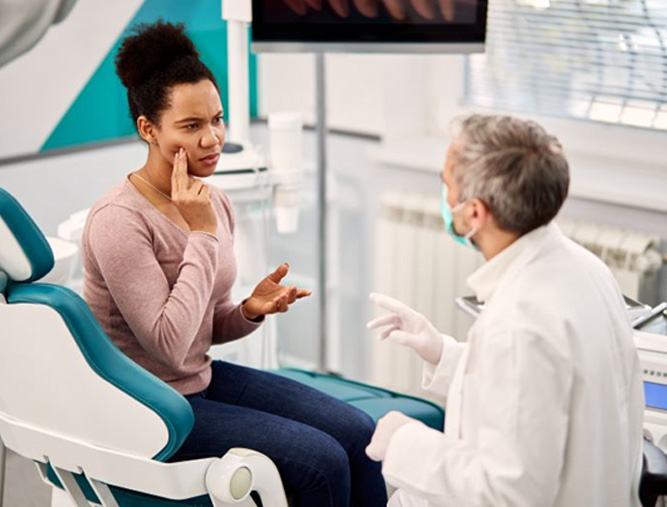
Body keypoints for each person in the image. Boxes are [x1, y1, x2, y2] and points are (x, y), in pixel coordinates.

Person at [81, 21, 387, 507]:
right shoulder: (119, 221)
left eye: (217, 120)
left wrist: (247, 310)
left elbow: (204, 328)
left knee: (359, 432)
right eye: (191, 126)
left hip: (199, 381)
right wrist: (200, 234)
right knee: (320, 460)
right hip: (148, 407)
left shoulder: (214, 202)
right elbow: (169, 347)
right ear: (148, 128)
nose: (212, 139)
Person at [366, 114, 644, 506]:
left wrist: (405, 443)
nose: (445, 198)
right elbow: (543, 394)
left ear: (475, 213)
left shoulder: (518, 322)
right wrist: (444, 354)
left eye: (446, 185)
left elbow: (508, 494)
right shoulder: (585, 270)